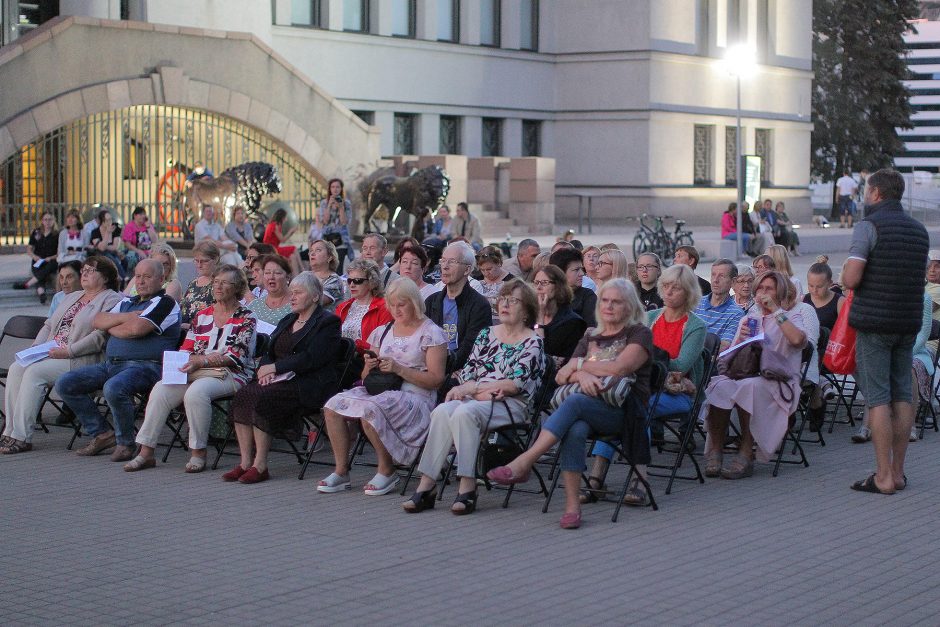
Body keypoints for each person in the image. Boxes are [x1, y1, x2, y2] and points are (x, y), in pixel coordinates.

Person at [487, 279, 654, 529]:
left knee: (574, 402)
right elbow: (560, 375)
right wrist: (581, 374)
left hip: (624, 412)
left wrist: (579, 366)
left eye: (616, 301)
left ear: (629, 306)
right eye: (605, 300)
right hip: (586, 409)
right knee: (574, 428)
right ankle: (572, 507)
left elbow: (621, 367)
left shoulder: (638, 333)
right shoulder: (591, 336)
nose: (608, 306)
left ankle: (525, 461)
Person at [404, 280, 545, 515]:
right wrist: (478, 389)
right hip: (477, 399)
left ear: (527, 309)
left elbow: (514, 384)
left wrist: (473, 389)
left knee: (464, 412)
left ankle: (467, 487)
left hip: (511, 405)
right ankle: (426, 485)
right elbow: (467, 374)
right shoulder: (486, 334)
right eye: (503, 299)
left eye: (513, 300)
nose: (505, 304)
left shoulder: (533, 341)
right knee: (442, 411)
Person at [583, 265, 706, 502]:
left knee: (635, 406)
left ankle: (626, 478)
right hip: (641, 386)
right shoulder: (650, 317)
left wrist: (641, 358)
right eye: (666, 286)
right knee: (623, 404)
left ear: (689, 292)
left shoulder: (696, 326)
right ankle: (605, 477)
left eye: (676, 288)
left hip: (677, 391)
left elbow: (681, 366)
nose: (669, 292)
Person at [841, 168, 929, 494]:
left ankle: (882, 477)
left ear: (876, 193)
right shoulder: (920, 231)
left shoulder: (868, 226)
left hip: (875, 324)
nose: (865, 195)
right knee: (903, 395)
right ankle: (899, 471)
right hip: (907, 322)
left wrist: (845, 275)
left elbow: (851, 279)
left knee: (878, 398)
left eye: (867, 190)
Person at [318, 278, 448, 495]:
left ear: (415, 302)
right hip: (382, 388)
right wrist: (369, 365)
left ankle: (387, 470)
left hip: (416, 393)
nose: (396, 310)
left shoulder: (431, 332)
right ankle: (341, 470)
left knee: (371, 409)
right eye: (392, 304)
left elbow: (436, 380)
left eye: (402, 304)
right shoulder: (383, 330)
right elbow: (366, 376)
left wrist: (399, 369)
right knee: (332, 406)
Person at [125, 265, 257, 473]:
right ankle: (146, 451)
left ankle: (198, 452)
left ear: (238, 287)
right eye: (216, 282)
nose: (218, 286)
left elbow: (235, 356)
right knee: (160, 388)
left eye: (224, 282)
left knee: (196, 393)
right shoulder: (202, 315)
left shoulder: (246, 317)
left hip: (232, 374)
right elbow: (186, 349)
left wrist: (201, 361)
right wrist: (190, 362)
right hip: (196, 370)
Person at [55, 259, 181, 461]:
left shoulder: (166, 303)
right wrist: (129, 318)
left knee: (114, 388)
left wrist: (115, 325)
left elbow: (136, 330)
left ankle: (126, 443)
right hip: (112, 364)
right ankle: (103, 434)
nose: (140, 281)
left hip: (146, 367)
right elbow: (96, 320)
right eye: (137, 276)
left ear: (161, 278)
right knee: (66, 383)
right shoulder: (127, 302)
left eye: (147, 277)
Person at [226, 272, 343, 483]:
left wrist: (275, 368)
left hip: (308, 382)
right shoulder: (289, 319)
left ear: (315, 297)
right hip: (279, 378)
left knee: (264, 399)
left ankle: (260, 465)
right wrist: (265, 370)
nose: (292, 297)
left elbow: (312, 358)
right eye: (292, 292)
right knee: (243, 395)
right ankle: (245, 463)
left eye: (298, 292)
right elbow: (270, 349)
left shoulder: (327, 322)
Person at [0, 257, 122, 454]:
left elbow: (99, 337)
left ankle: (22, 437)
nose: (84, 274)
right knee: (17, 367)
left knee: (34, 373)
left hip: (81, 358)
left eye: (91, 271)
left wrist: (68, 351)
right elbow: (49, 324)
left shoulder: (112, 299)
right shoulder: (73, 296)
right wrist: (35, 348)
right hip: (53, 352)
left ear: (106, 277)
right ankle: (11, 430)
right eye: (84, 270)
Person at [702, 271, 808, 479]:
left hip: (781, 379)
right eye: (760, 288)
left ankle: (746, 451)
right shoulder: (750, 319)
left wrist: (776, 311)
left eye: (769, 288)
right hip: (748, 373)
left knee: (749, 386)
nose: (763, 293)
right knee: (718, 385)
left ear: (780, 292)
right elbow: (730, 357)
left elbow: (798, 341)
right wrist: (741, 340)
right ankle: (716, 449)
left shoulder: (791, 315)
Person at [425, 241, 492, 373]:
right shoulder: (432, 301)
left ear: (467, 269)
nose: (444, 266)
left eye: (452, 261)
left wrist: (445, 368)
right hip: (429, 366)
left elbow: (471, 347)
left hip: (461, 370)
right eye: (443, 261)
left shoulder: (479, 305)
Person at [533, 265, 587, 365]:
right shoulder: (529, 317)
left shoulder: (572, 322)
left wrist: (540, 319)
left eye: (544, 283)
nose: (538, 287)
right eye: (536, 283)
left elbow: (539, 354)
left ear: (558, 287)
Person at [336, 258, 393, 346]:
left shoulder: (384, 307)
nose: (352, 285)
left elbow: (382, 343)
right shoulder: (342, 307)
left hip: (367, 357)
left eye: (357, 281)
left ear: (371, 282)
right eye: (349, 280)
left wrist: (356, 346)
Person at [693, 258, 744, 349]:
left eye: (721, 276)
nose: (715, 280)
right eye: (713, 275)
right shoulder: (696, 302)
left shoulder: (736, 313)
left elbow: (724, 347)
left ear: (733, 282)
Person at [15, 211, 58, 302]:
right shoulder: (36, 232)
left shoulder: (57, 234)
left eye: (50, 219)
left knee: (50, 266)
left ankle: (27, 284)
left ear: (54, 221)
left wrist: (50, 258)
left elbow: (59, 253)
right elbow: (29, 249)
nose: (47, 222)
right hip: (38, 260)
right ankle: (41, 294)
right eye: (45, 219)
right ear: (42, 221)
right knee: (39, 273)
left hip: (51, 261)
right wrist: (34, 257)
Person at [549, 248, 597, 328]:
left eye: (582, 269)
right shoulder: (548, 296)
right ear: (560, 272)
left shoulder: (587, 296)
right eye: (576, 270)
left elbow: (590, 329)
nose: (582, 274)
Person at [180, 240, 220, 327]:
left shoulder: (219, 285)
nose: (199, 265)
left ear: (216, 259)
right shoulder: (193, 283)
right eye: (196, 261)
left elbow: (221, 316)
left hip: (203, 333)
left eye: (204, 261)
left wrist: (191, 327)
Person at [314, 178, 354, 262]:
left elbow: (344, 222)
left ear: (341, 189)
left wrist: (341, 208)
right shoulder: (324, 203)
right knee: (327, 264)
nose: (335, 189)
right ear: (329, 189)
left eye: (337, 187)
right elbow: (325, 221)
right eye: (332, 187)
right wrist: (329, 205)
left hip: (342, 239)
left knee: (338, 266)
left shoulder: (346, 203)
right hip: (327, 239)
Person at [248, 255, 293, 326]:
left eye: (277, 273)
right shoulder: (253, 305)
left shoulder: (296, 305)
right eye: (267, 273)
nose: (271, 277)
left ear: (288, 277)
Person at [307, 239, 349, 312]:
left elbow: (316, 302)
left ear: (329, 257)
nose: (312, 253)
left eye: (318, 250)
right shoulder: (306, 275)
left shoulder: (334, 280)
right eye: (311, 251)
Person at [476, 245, 513, 324]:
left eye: (489, 269)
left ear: (499, 263)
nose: (486, 273)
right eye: (482, 270)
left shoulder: (511, 281)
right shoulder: (477, 280)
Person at [803, 263, 843, 331]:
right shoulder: (804, 299)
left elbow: (844, 331)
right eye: (811, 285)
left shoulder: (840, 302)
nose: (814, 290)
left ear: (830, 283)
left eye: (819, 286)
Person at [262, 208, 303, 275]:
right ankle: (302, 268)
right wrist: (291, 231)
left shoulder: (274, 224)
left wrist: (292, 232)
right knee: (294, 248)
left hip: (274, 248)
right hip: (272, 250)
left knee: (292, 256)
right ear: (281, 217)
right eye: (285, 217)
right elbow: (283, 240)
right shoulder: (274, 225)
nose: (285, 219)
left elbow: (283, 240)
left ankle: (295, 276)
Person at [89, 209, 126, 280]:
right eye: (107, 220)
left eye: (110, 219)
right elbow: (102, 249)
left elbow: (115, 247)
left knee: (125, 258)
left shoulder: (116, 229)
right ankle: (124, 277)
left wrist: (102, 246)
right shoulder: (95, 232)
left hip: (115, 252)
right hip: (101, 255)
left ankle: (123, 278)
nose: (110, 222)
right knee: (107, 255)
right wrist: (108, 233)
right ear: (101, 222)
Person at [122, 206, 158, 272]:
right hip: (135, 251)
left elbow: (155, 240)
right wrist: (139, 251)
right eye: (140, 214)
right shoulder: (129, 226)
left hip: (149, 251)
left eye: (144, 214)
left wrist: (148, 227)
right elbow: (127, 244)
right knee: (132, 258)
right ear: (135, 215)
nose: (143, 216)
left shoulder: (148, 225)